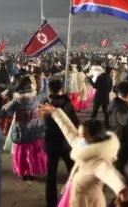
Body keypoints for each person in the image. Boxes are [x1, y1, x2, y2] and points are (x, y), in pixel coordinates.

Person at [40, 104, 127, 207]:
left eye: (82, 136)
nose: (78, 138)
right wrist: (56, 112)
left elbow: (110, 174)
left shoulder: (99, 161)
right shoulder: (83, 149)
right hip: (74, 197)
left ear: (93, 138)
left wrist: (121, 189)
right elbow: (69, 130)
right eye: (79, 135)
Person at [43, 79, 79, 207]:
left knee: (51, 175)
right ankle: (75, 198)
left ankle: (51, 202)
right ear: (61, 89)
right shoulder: (68, 104)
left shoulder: (45, 104)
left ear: (49, 90)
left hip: (51, 143)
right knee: (74, 172)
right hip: (67, 142)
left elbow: (41, 123)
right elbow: (75, 122)